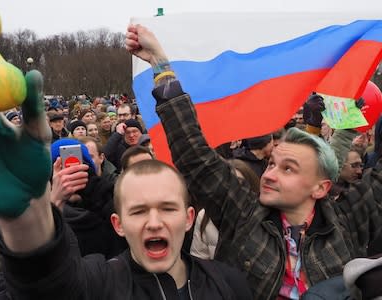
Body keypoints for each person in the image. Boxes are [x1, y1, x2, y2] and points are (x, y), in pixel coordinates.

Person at [0, 61, 252, 299]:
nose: (154, 222)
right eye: (139, 211)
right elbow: (47, 283)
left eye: (168, 208)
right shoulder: (99, 282)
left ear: (189, 218)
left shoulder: (229, 283)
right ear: (118, 224)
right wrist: (26, 213)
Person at [125, 24, 382, 299]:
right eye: (271, 164)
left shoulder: (347, 222)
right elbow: (194, 154)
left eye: (288, 169)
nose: (269, 175)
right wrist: (161, 65)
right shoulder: (244, 218)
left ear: (320, 187)